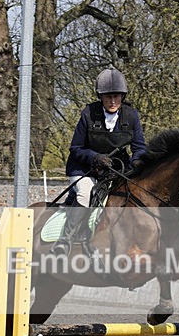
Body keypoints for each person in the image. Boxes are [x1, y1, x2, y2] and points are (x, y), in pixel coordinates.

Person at [51, 67, 147, 256]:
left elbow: (139, 147)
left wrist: (137, 163)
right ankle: (65, 240)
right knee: (86, 194)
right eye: (108, 97)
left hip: (116, 169)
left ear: (122, 96)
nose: (112, 101)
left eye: (116, 96)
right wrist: (95, 157)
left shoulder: (131, 116)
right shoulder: (88, 114)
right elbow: (75, 148)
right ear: (100, 97)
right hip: (85, 169)